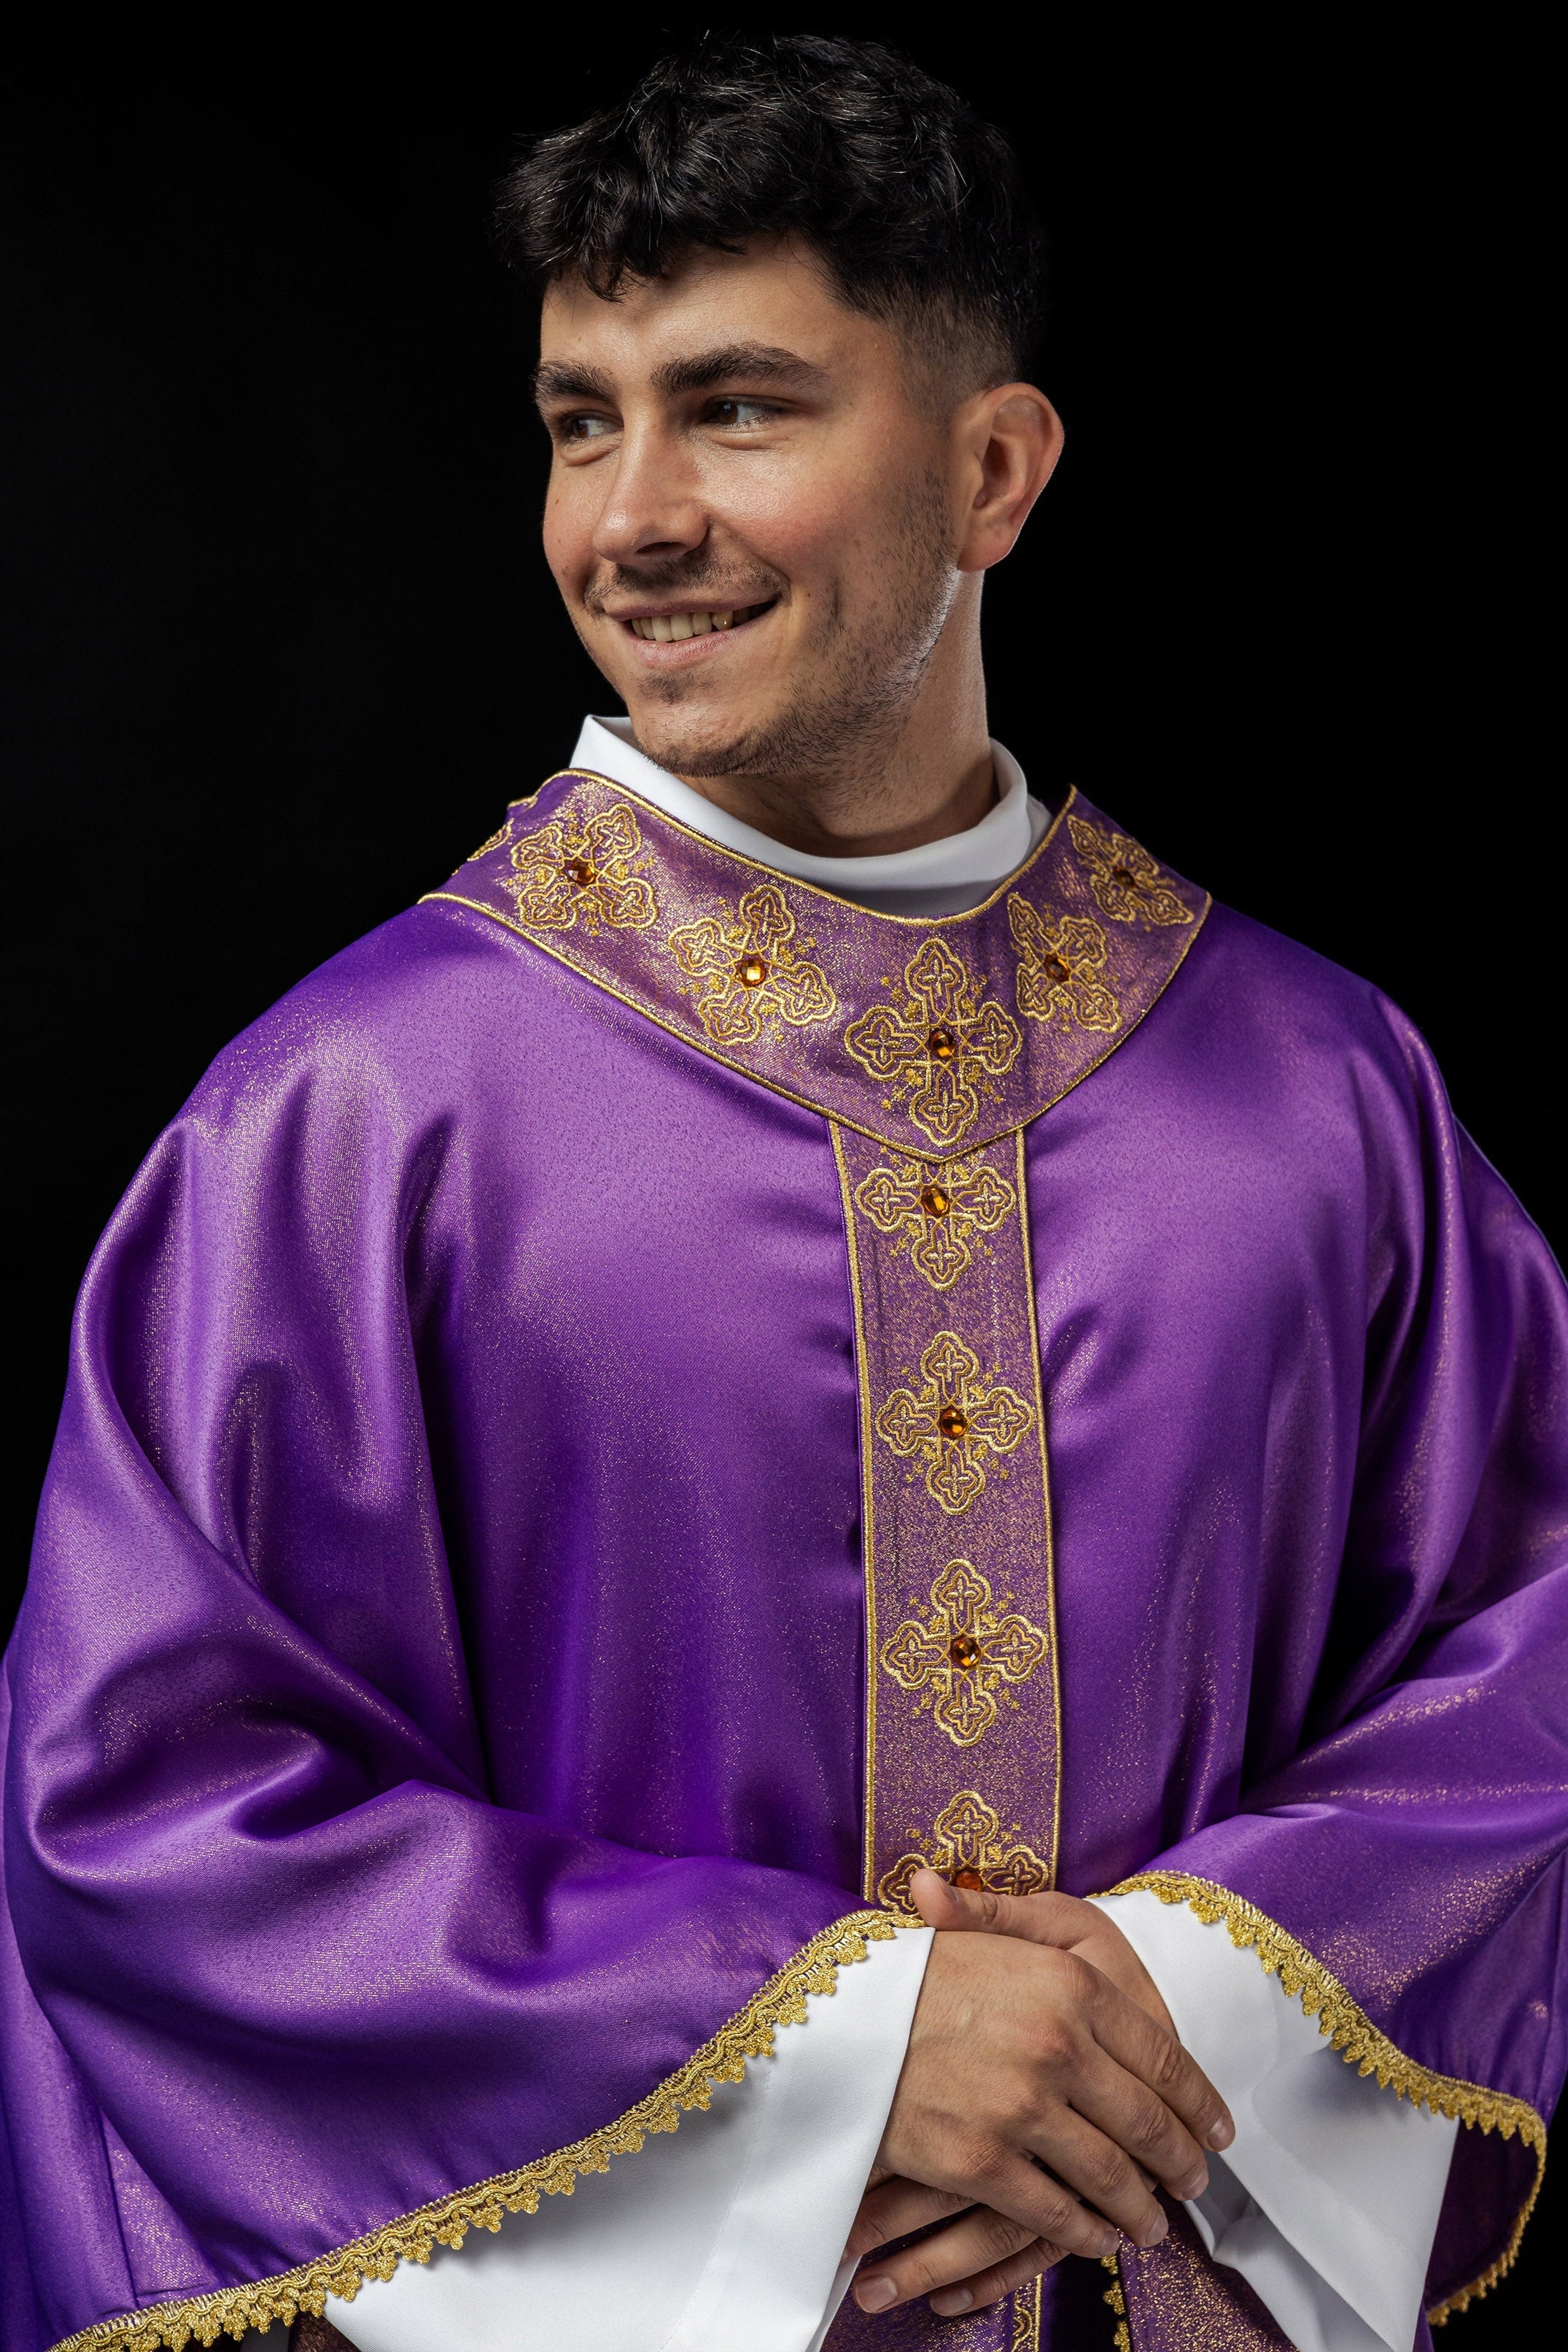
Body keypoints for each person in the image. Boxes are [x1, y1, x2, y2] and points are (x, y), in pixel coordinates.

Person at [2, 34, 1563, 2352]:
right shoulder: (350, 1116)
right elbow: (146, 1816)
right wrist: (834, 2057)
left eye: (735, 408)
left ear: (994, 468)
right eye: (577, 420)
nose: (629, 518)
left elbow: (1525, 1659)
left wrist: (1175, 1993)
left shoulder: (1325, 1094)